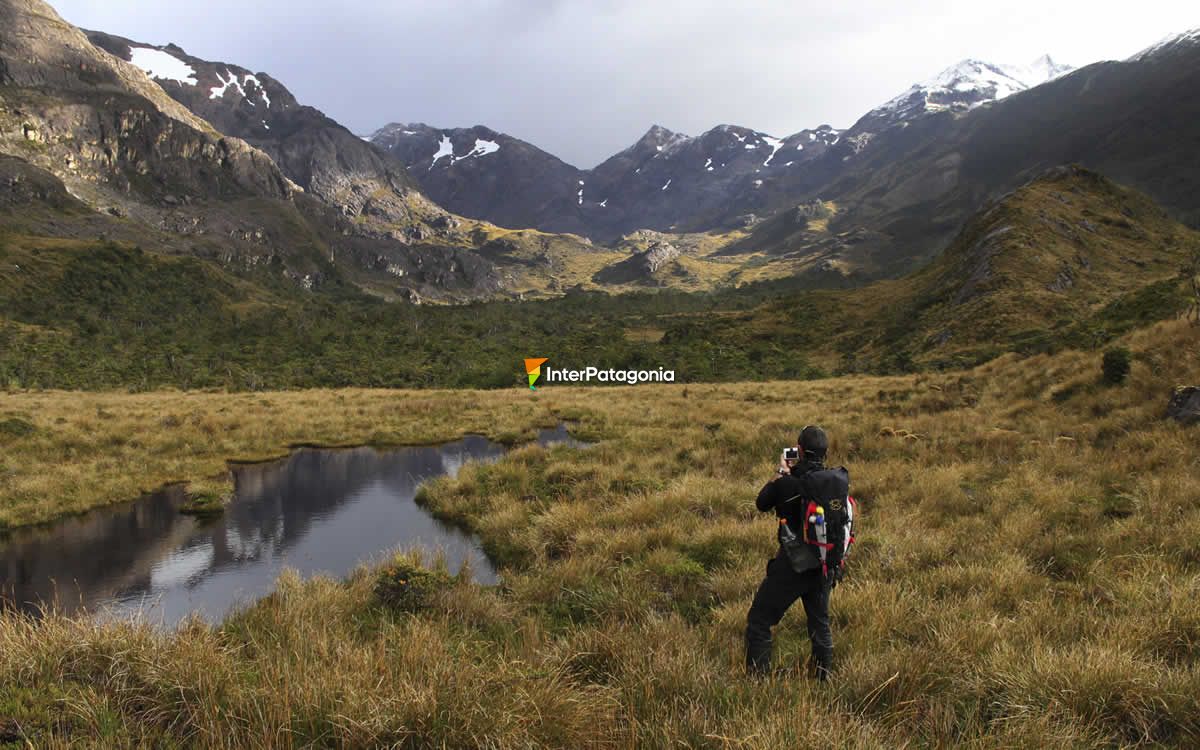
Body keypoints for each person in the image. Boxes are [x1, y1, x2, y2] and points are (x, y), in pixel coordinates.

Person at [745, 425, 853, 680]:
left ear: (800, 451)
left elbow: (762, 503)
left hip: (793, 564)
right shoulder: (832, 485)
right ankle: (823, 677)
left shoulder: (787, 483)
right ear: (825, 454)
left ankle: (757, 682)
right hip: (824, 562)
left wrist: (781, 471)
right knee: (819, 623)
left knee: (759, 620)